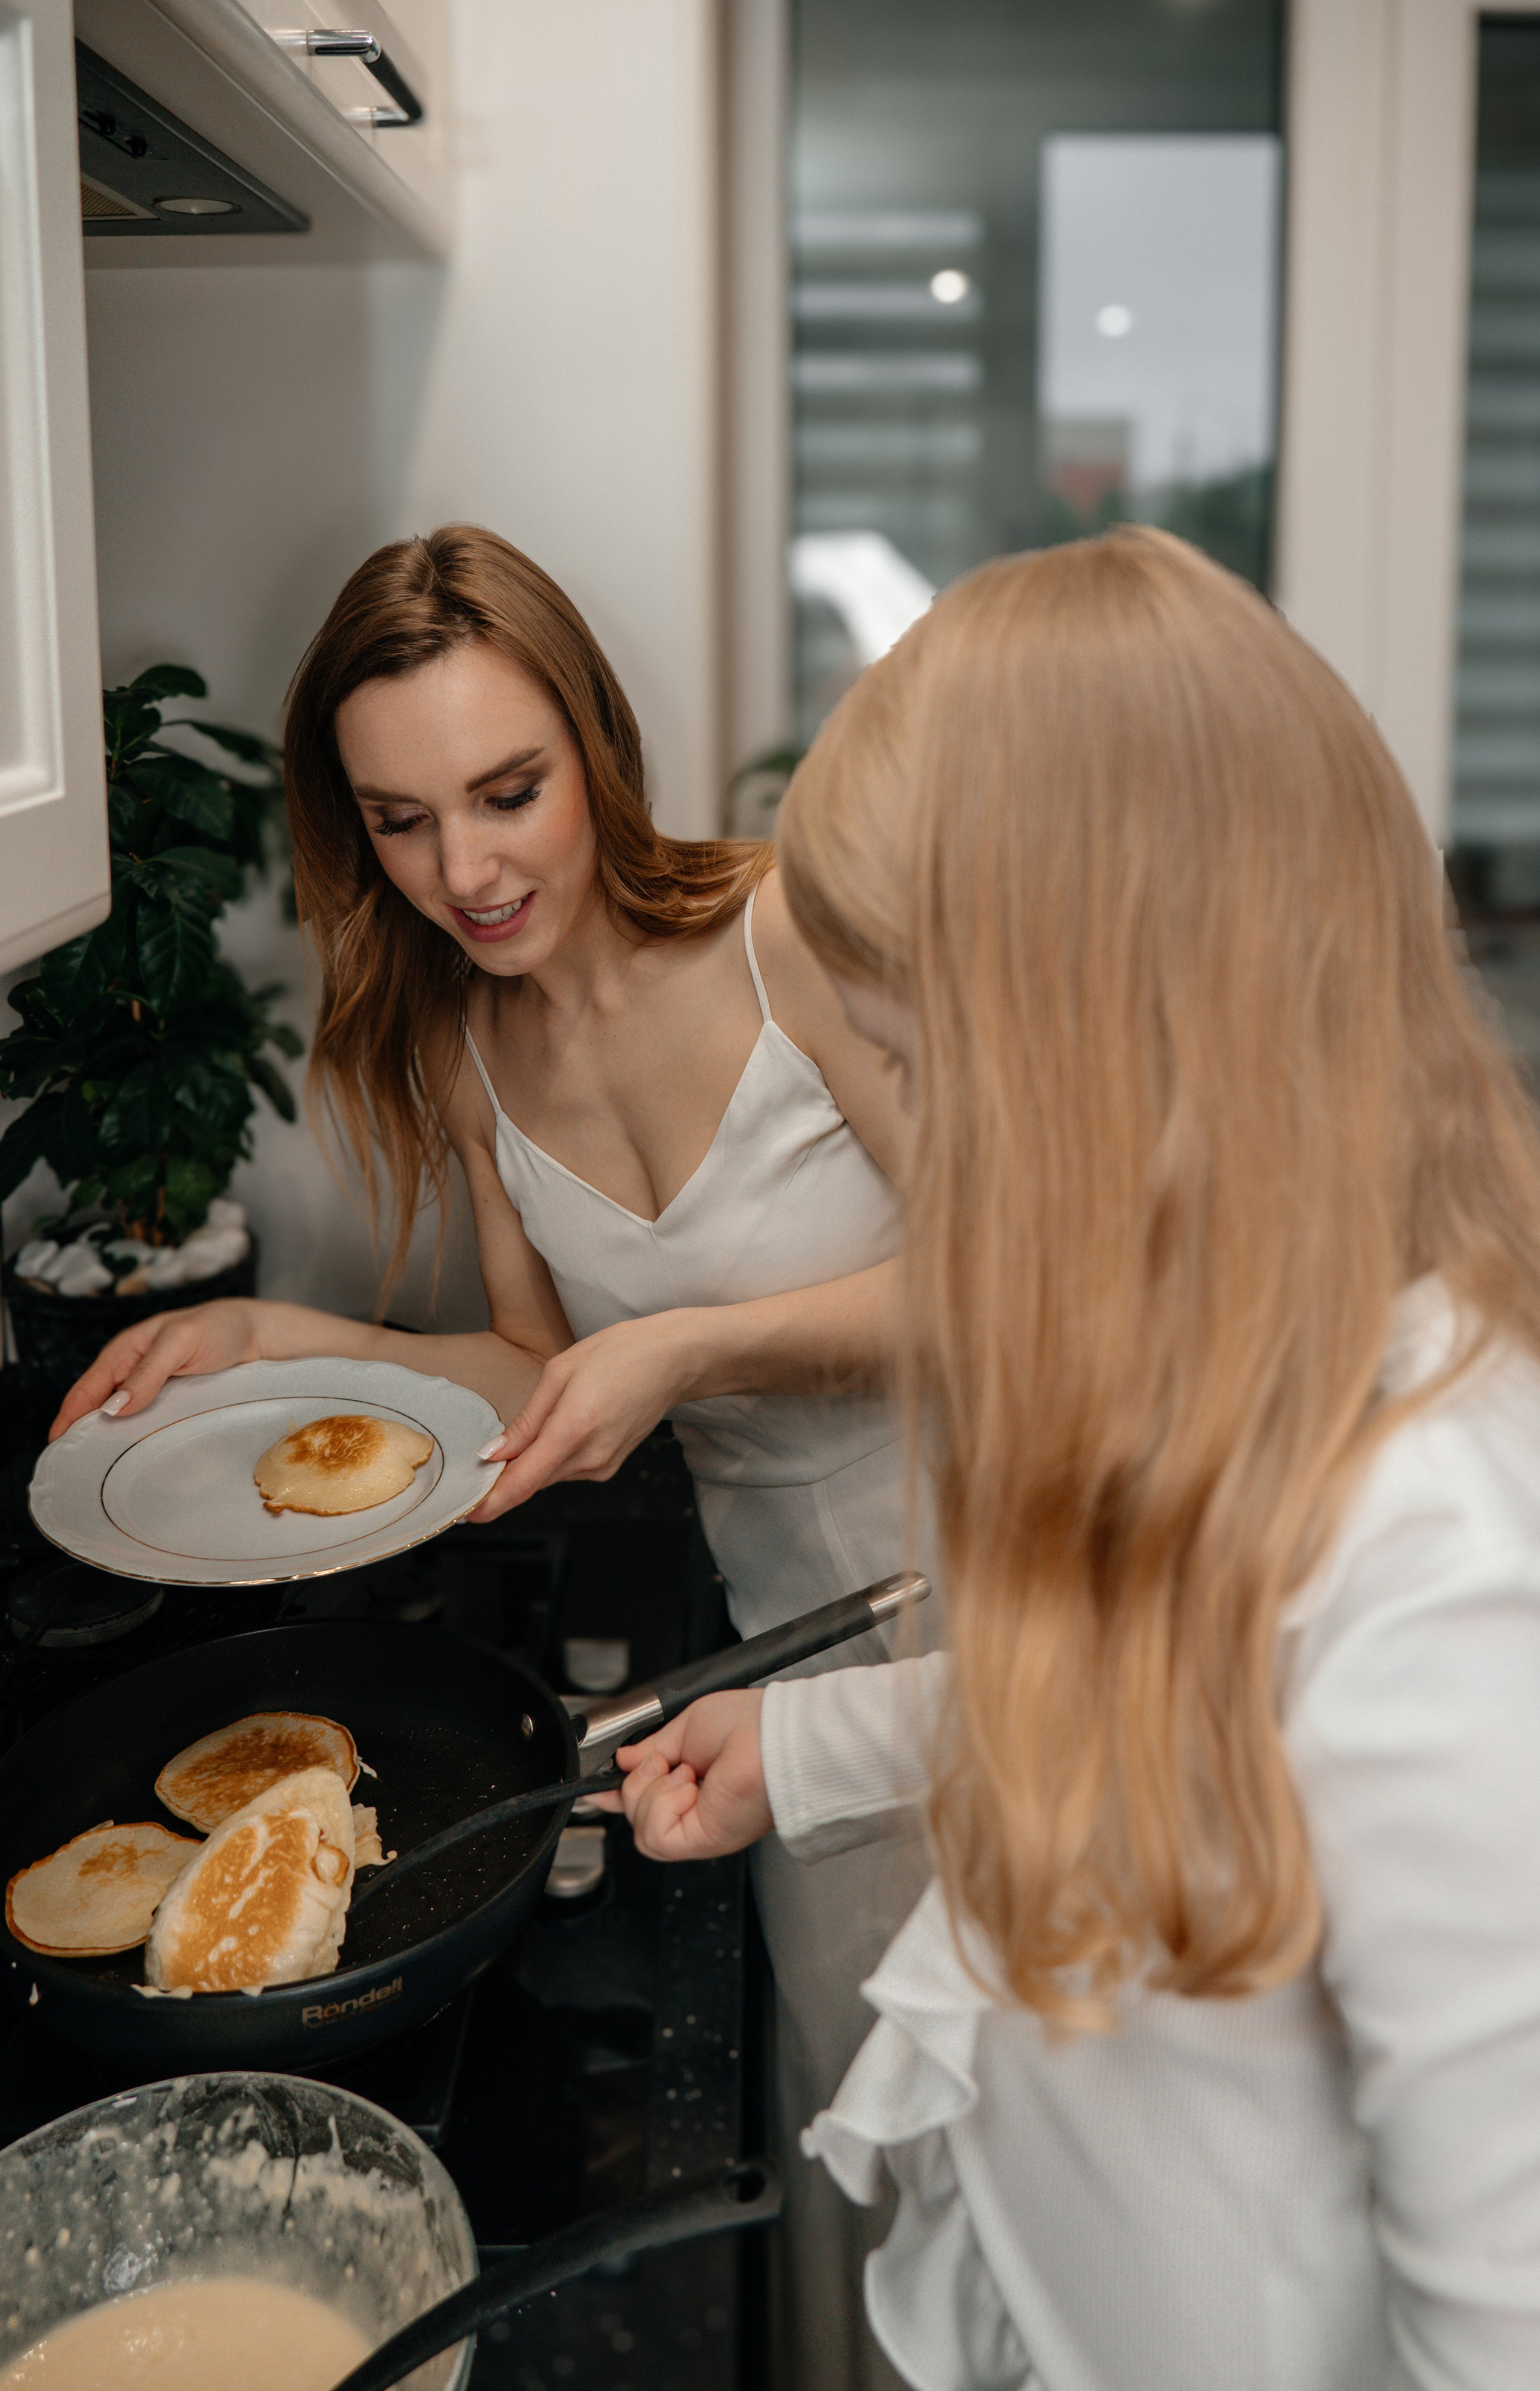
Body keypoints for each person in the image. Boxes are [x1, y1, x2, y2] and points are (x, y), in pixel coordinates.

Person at [601, 526, 1540, 2389]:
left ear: (1109, 1058)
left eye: (916, 1067)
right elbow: (1169, 1724)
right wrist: (814, 1742)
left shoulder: (1442, 1566)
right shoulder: (1239, 1350)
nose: (912, 1141)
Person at [51, 525, 931, 2391]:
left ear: (597, 749)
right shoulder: (468, 1046)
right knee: (872, 2131)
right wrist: (279, 1338)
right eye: (399, 822)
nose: (464, 872)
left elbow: (1022, 1284)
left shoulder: (792, 934)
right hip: (787, 1648)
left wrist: (691, 1348)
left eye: (508, 793)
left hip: (1009, 1580)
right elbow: (537, 1367)